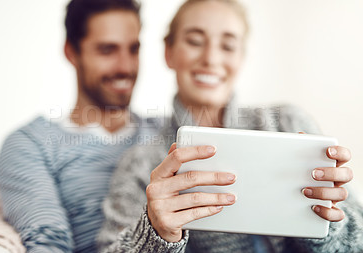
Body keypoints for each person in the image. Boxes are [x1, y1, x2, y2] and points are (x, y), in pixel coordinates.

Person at [97, 0, 363, 252]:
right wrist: (156, 233)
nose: (211, 58)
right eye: (194, 41)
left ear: (241, 57)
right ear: (169, 52)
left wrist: (331, 224)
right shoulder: (142, 164)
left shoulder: (287, 123)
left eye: (227, 45)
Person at [0, 0, 158, 252]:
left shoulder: (168, 134)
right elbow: (49, 244)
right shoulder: (30, 145)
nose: (126, 66)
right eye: (107, 50)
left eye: (133, 49)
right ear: (71, 52)